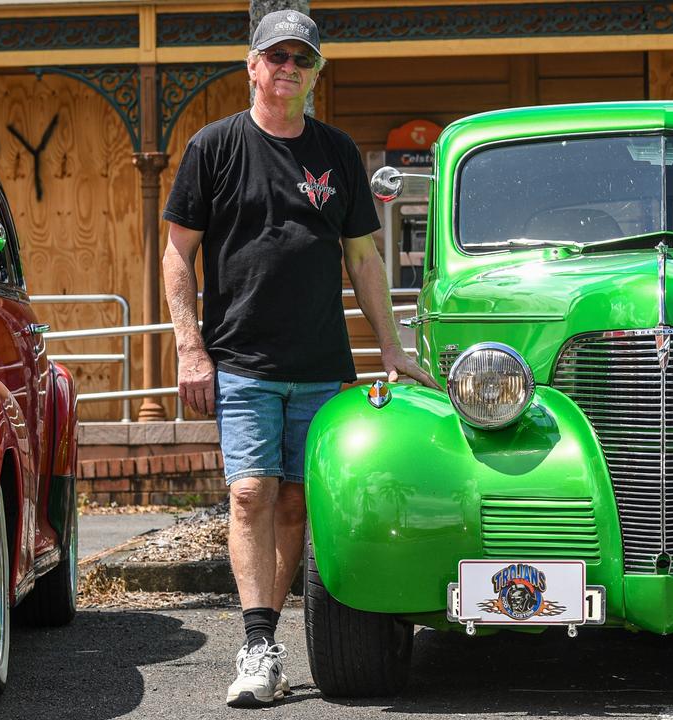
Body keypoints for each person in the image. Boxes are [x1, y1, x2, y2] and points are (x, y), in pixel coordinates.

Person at [161, 9, 436, 708]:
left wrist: (393, 349)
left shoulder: (337, 151)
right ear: (251, 65)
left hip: (320, 364)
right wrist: (190, 349)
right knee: (250, 492)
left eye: (301, 59)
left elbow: (364, 258)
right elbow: (175, 253)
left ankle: (270, 641)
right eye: (276, 56)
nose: (288, 67)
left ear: (314, 73)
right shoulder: (213, 148)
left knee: (296, 503)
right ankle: (255, 646)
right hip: (241, 360)